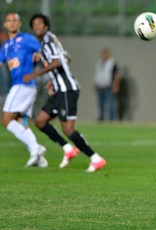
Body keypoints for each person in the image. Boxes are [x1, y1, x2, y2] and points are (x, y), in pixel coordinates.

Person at [23, 13, 106, 172]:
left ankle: (95, 158)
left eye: (40, 24)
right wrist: (51, 80)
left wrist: (34, 75)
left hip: (67, 89)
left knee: (68, 129)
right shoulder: (49, 42)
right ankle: (68, 149)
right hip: (58, 89)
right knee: (40, 121)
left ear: (46, 26)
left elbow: (58, 61)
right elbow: (67, 57)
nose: (37, 27)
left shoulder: (48, 41)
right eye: (34, 25)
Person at [0, 12, 47, 168]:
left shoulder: (27, 39)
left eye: (15, 21)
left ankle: (35, 148)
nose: (12, 23)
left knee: (6, 120)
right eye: (9, 21)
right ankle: (40, 159)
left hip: (23, 84)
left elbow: (42, 50)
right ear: (5, 25)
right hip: (23, 87)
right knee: (21, 121)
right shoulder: (6, 47)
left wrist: (38, 55)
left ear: (19, 24)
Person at [93, 48, 120, 121]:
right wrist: (95, 84)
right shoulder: (99, 63)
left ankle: (111, 118)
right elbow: (97, 74)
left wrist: (116, 85)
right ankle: (101, 117)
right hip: (100, 86)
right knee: (100, 104)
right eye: (104, 54)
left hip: (109, 86)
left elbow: (116, 75)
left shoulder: (112, 63)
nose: (105, 55)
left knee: (111, 104)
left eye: (106, 54)